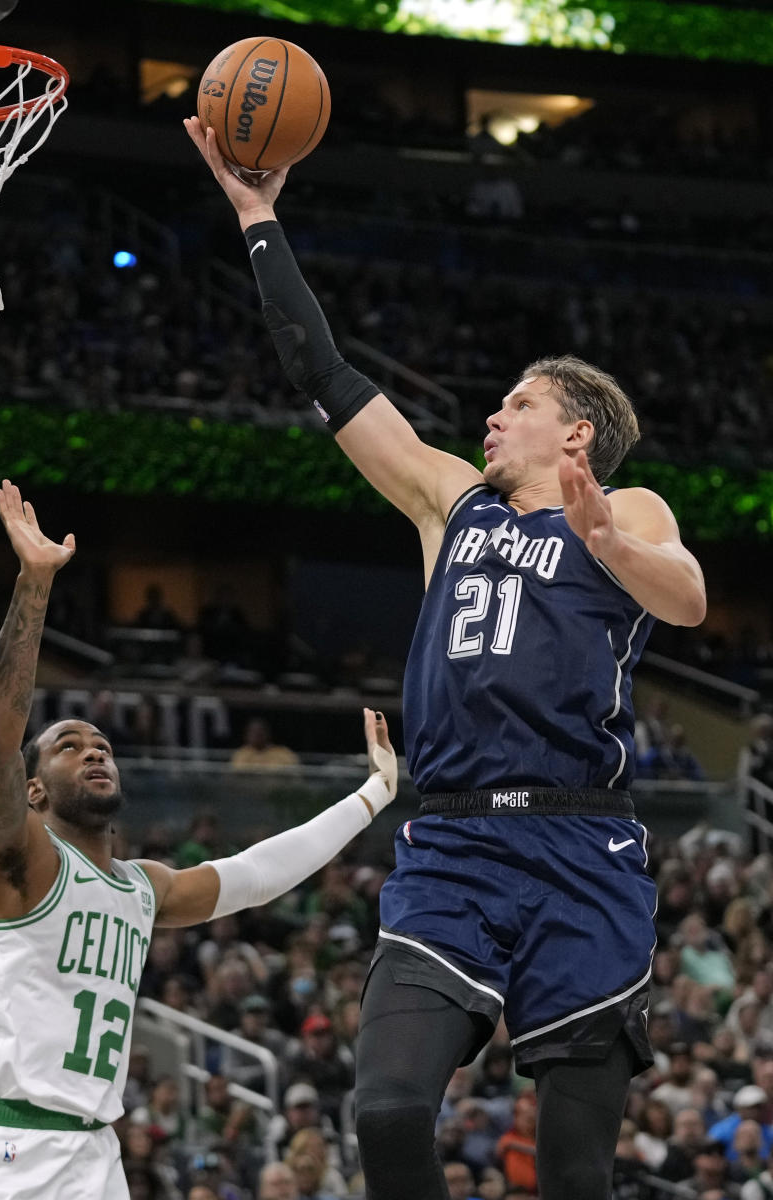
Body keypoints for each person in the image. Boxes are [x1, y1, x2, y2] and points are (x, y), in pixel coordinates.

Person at [184, 117, 707, 1200]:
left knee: (572, 1173)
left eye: (517, 404)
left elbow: (691, 599)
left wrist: (607, 539)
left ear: (575, 436)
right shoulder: (447, 503)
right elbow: (321, 371)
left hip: (582, 844)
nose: (490, 415)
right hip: (455, 845)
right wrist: (259, 219)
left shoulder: (626, 508)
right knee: (383, 1110)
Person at [0, 480, 398, 1200]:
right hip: (4, 1147)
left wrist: (372, 796)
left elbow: (256, 873)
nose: (94, 751)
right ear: (34, 789)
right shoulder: (17, 864)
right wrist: (34, 587)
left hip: (93, 1150)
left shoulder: (140, 888)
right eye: (69, 746)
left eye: (102, 744)